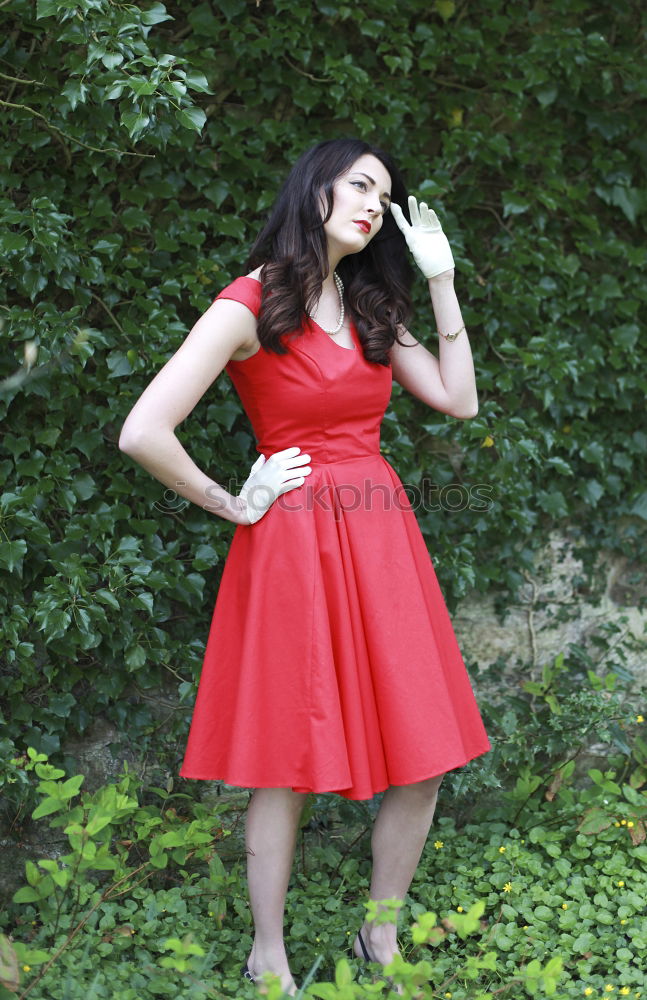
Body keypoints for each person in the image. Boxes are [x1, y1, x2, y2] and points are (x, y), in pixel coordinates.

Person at [118, 137, 490, 996]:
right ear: (313, 187)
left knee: (424, 753)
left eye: (383, 193)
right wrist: (233, 500)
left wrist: (440, 281)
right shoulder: (250, 302)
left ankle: (379, 936)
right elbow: (144, 431)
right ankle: (268, 951)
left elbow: (458, 399)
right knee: (287, 755)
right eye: (359, 183)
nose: (372, 202)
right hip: (291, 542)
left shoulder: (370, 302)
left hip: (379, 535)